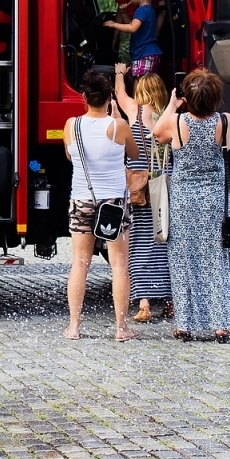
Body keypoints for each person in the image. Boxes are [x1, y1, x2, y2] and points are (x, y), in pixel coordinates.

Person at [153, 69, 230, 342]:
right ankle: (221, 323)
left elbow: (156, 132)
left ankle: (185, 323)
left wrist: (172, 105)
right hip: (215, 201)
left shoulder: (176, 123)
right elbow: (228, 147)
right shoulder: (226, 120)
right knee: (216, 259)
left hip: (183, 201)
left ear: (188, 97)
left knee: (183, 260)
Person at [62, 68, 139, 342]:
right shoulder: (119, 126)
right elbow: (134, 153)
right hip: (114, 204)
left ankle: (73, 326)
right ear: (110, 98)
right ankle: (121, 328)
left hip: (83, 198)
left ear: (83, 97)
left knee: (80, 263)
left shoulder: (72, 125)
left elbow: (71, 157)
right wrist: (118, 119)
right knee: (119, 264)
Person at [115, 65, 173, 322]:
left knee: (138, 246)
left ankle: (144, 304)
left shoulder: (134, 111)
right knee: (166, 243)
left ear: (140, 91)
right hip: (164, 187)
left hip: (139, 191)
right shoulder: (170, 117)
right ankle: (172, 301)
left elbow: (119, 92)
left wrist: (120, 72)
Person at [101, 0, 163, 77]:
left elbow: (132, 28)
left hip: (144, 54)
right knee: (143, 85)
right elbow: (132, 24)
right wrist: (124, 14)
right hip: (148, 54)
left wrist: (114, 24)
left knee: (139, 86)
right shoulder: (149, 9)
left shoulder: (141, 10)